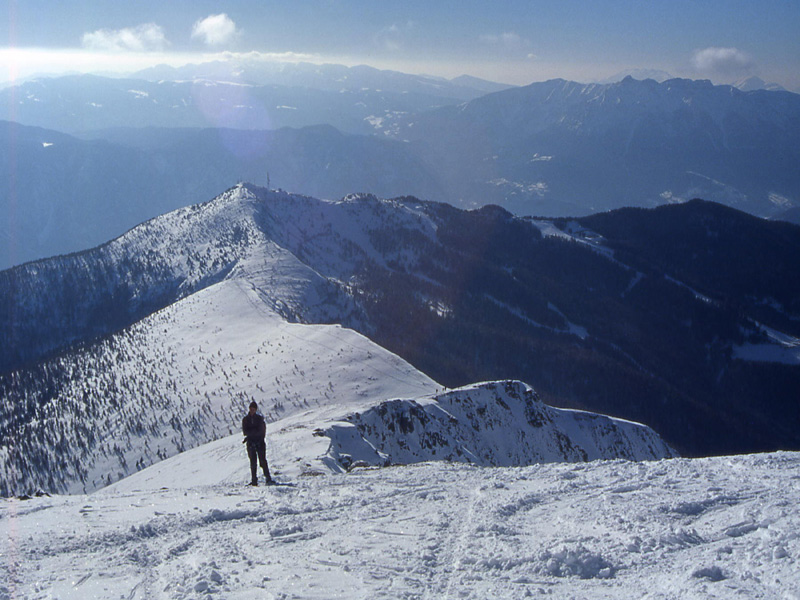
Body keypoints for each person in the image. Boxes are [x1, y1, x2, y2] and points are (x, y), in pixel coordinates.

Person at [242, 401, 273, 486]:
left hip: (260, 442)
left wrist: (254, 434)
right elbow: (245, 431)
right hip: (250, 443)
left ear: (256, 409)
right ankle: (254, 480)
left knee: (262, 460)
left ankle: (268, 478)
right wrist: (254, 433)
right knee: (253, 462)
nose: (252, 410)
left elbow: (262, 431)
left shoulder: (259, 419)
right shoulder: (245, 419)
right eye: (251, 409)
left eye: (253, 409)